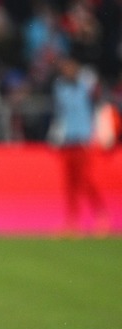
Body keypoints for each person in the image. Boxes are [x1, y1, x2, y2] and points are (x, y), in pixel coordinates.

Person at [48, 54, 108, 234]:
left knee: (86, 181)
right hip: (67, 140)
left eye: (70, 68)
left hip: (83, 140)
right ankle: (72, 221)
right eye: (64, 69)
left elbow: (99, 98)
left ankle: (101, 215)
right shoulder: (59, 88)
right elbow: (59, 114)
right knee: (70, 183)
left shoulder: (85, 85)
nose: (67, 71)